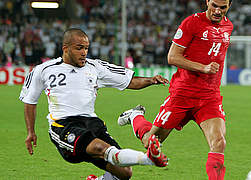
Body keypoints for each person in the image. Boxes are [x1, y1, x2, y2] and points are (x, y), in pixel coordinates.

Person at [19, 28, 169, 180]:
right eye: (79, 48)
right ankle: (149, 159)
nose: (84, 52)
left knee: (124, 173)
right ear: (66, 48)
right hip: (64, 125)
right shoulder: (43, 70)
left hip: (92, 123)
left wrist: (151, 80)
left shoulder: (95, 67)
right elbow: (30, 101)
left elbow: (128, 81)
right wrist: (30, 132)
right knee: (100, 148)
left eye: (86, 48)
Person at [117, 0, 233, 179]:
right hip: (183, 94)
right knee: (151, 142)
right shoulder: (192, 23)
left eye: (222, 7)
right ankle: (135, 116)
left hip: (209, 96)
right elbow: (172, 57)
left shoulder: (228, 26)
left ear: (229, 7)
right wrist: (202, 67)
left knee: (219, 142)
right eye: (214, 5)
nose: (217, 11)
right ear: (207, 2)